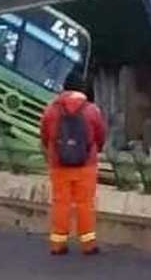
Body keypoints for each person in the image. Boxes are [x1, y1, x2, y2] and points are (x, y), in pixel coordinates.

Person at [39, 71, 106, 256]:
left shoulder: (52, 108)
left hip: (59, 163)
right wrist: (93, 150)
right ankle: (88, 244)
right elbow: (100, 135)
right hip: (86, 164)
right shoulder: (92, 110)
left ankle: (58, 243)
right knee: (85, 203)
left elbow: (44, 135)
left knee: (61, 203)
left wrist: (52, 151)